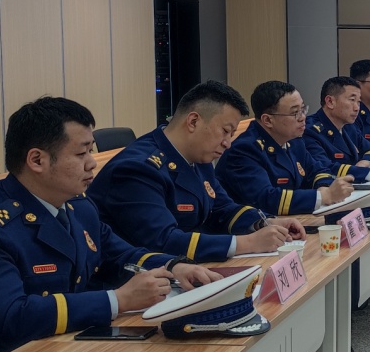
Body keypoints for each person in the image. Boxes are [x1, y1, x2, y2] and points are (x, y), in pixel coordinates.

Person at [0, 97, 219, 352]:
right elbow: (12, 318)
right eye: (81, 154)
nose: (92, 163)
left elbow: (119, 254)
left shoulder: (78, 206)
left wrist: (173, 267)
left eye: (91, 151)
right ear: (37, 160)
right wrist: (117, 300)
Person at [90, 81, 304, 262]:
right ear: (193, 121)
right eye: (225, 131)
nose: (228, 143)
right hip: (140, 281)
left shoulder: (198, 156)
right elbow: (163, 241)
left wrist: (264, 222)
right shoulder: (138, 169)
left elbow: (221, 207)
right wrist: (247, 243)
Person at [216, 81, 356, 215]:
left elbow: (317, 170)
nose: (302, 117)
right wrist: (323, 196)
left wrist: (324, 187)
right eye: (295, 113)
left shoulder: (294, 140)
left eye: (303, 109)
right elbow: (266, 199)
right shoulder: (244, 150)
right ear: (268, 120)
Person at [305, 76, 370, 180]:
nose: (357, 108)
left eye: (358, 102)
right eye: (352, 100)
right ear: (330, 102)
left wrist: (365, 163)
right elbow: (326, 168)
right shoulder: (310, 131)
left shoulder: (348, 126)